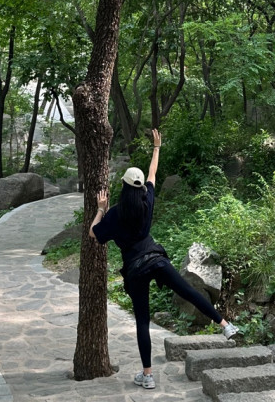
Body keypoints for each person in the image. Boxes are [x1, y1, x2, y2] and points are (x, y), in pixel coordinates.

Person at [89, 129, 239, 390]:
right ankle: (224, 324)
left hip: (136, 270)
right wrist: (156, 147)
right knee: (188, 291)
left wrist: (100, 209)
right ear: (139, 188)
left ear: (123, 186)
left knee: (143, 321)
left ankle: (148, 375)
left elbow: (94, 233)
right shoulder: (146, 202)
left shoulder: (114, 214)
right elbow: (152, 175)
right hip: (156, 260)